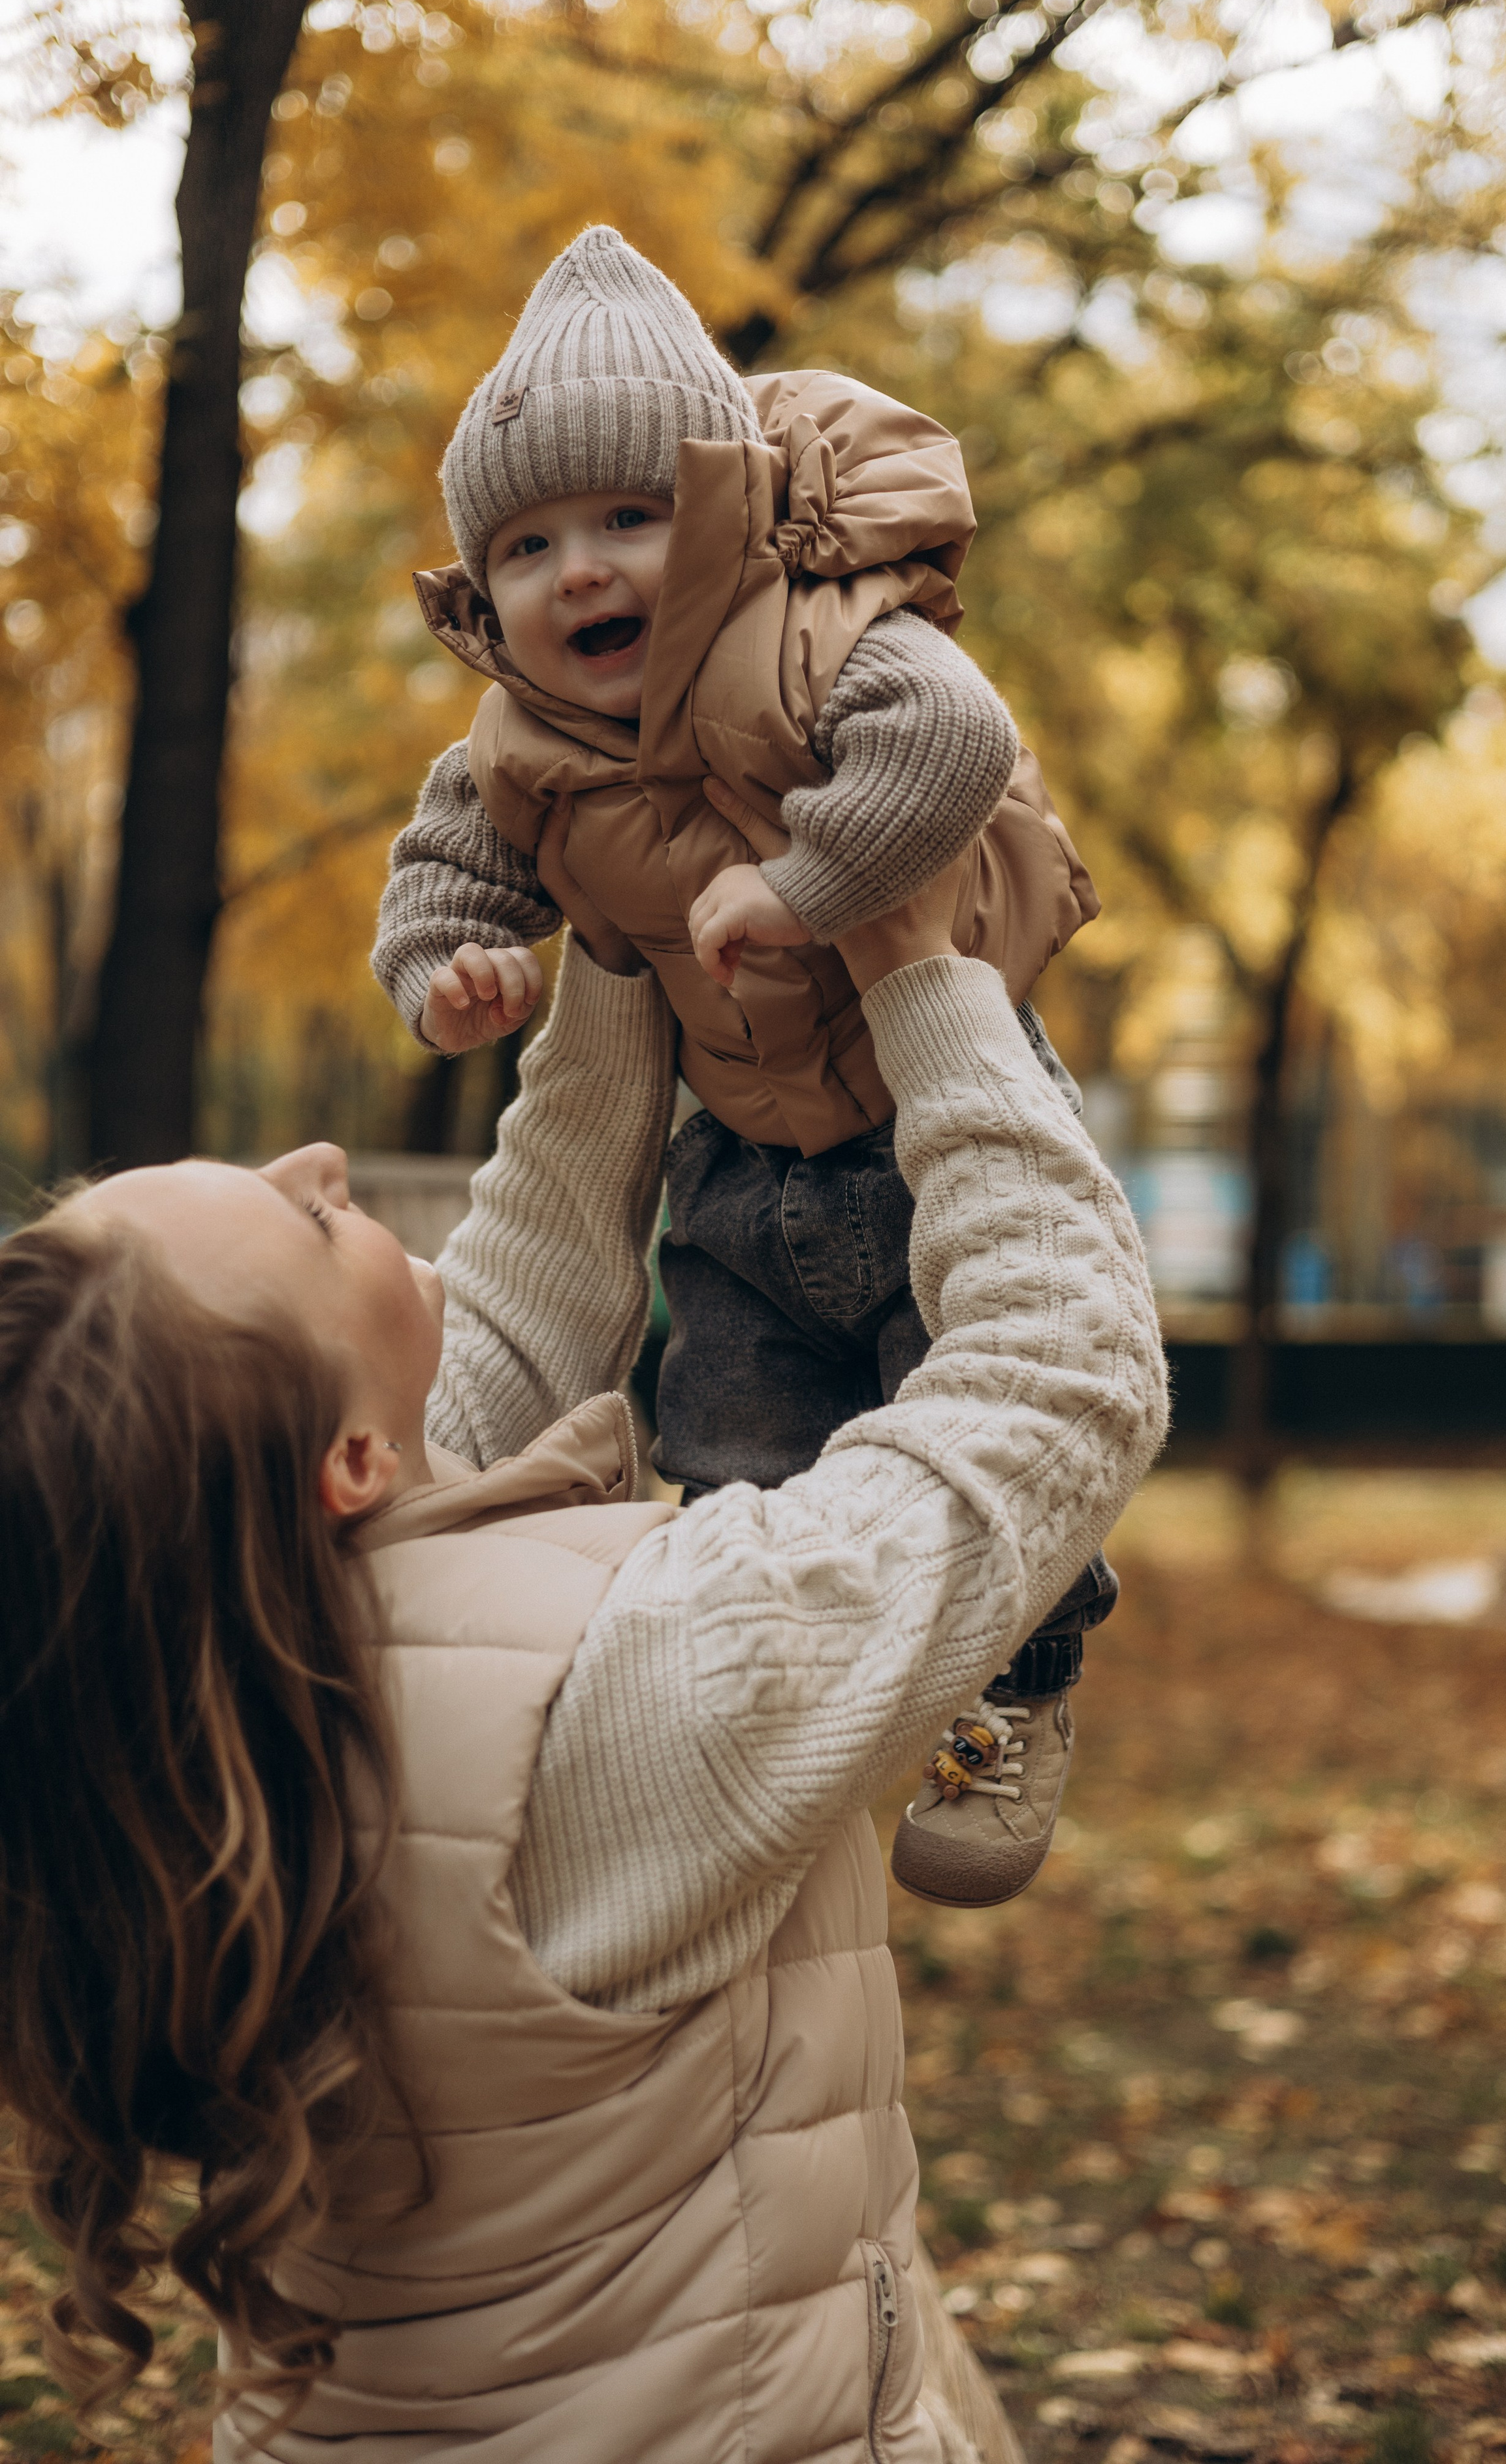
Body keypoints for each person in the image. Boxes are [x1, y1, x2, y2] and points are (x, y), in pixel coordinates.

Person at [0, 887, 1168, 2463]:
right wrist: (925, 975)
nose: (322, 1161)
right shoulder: (628, 1688)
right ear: (346, 1457)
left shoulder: (222, 1680)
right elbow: (1058, 1377)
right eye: (309, 1218)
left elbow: (525, 1285)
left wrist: (623, 932)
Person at [370, 223, 1112, 1910]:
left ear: (717, 510)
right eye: (533, 545)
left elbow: (955, 743)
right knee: (726, 1438)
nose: (584, 575)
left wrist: (803, 887)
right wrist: (452, 973)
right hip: (731, 1164)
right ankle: (766, 1699)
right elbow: (440, 874)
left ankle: (1020, 1688)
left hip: (929, 1112)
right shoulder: (518, 750)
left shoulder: (820, 637)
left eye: (630, 520)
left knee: (973, 1383)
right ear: (486, 594)